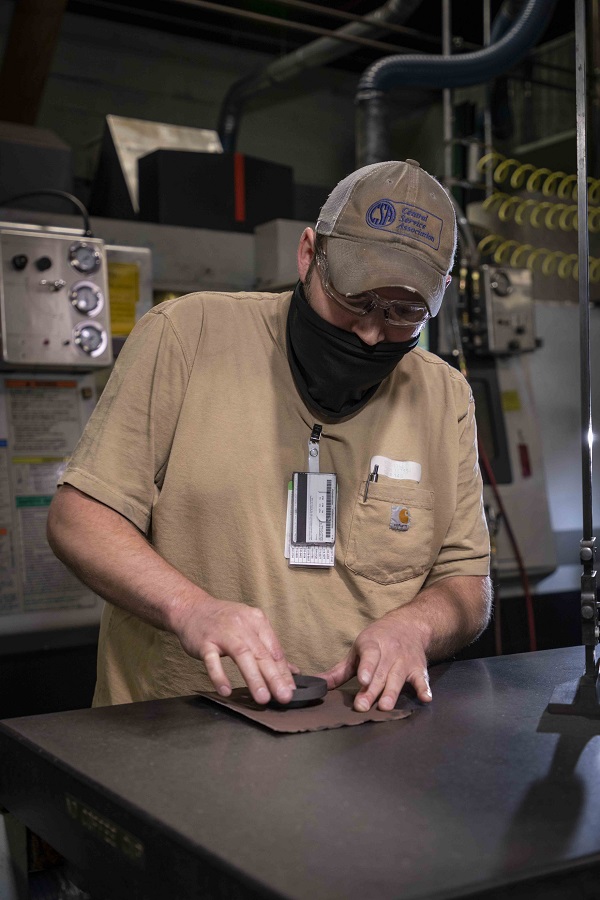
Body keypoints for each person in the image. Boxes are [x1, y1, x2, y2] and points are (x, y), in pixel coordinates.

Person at [47, 158, 491, 713]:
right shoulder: (188, 335)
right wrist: (191, 609)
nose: (373, 333)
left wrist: (417, 626)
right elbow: (80, 519)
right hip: (175, 733)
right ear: (310, 254)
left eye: (405, 312)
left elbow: (465, 583)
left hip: (359, 749)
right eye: (355, 299)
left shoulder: (445, 397)